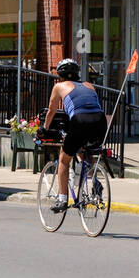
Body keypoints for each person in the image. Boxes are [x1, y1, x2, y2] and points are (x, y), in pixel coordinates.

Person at [42, 58, 107, 213]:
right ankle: (94, 181)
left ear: (60, 75)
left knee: (64, 160)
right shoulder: (89, 85)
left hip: (79, 121)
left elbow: (51, 111)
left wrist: (45, 129)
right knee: (85, 151)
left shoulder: (59, 86)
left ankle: (62, 200)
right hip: (100, 121)